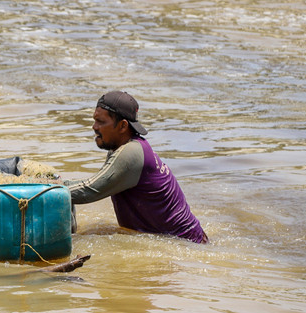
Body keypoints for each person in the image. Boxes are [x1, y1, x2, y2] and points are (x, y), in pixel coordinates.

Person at [63, 91, 208, 243]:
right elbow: (87, 186)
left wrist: (45, 189)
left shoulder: (130, 153)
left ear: (123, 126)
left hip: (186, 244)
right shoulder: (126, 148)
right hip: (186, 240)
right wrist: (57, 185)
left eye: (101, 122)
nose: (94, 127)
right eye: (94, 120)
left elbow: (89, 191)